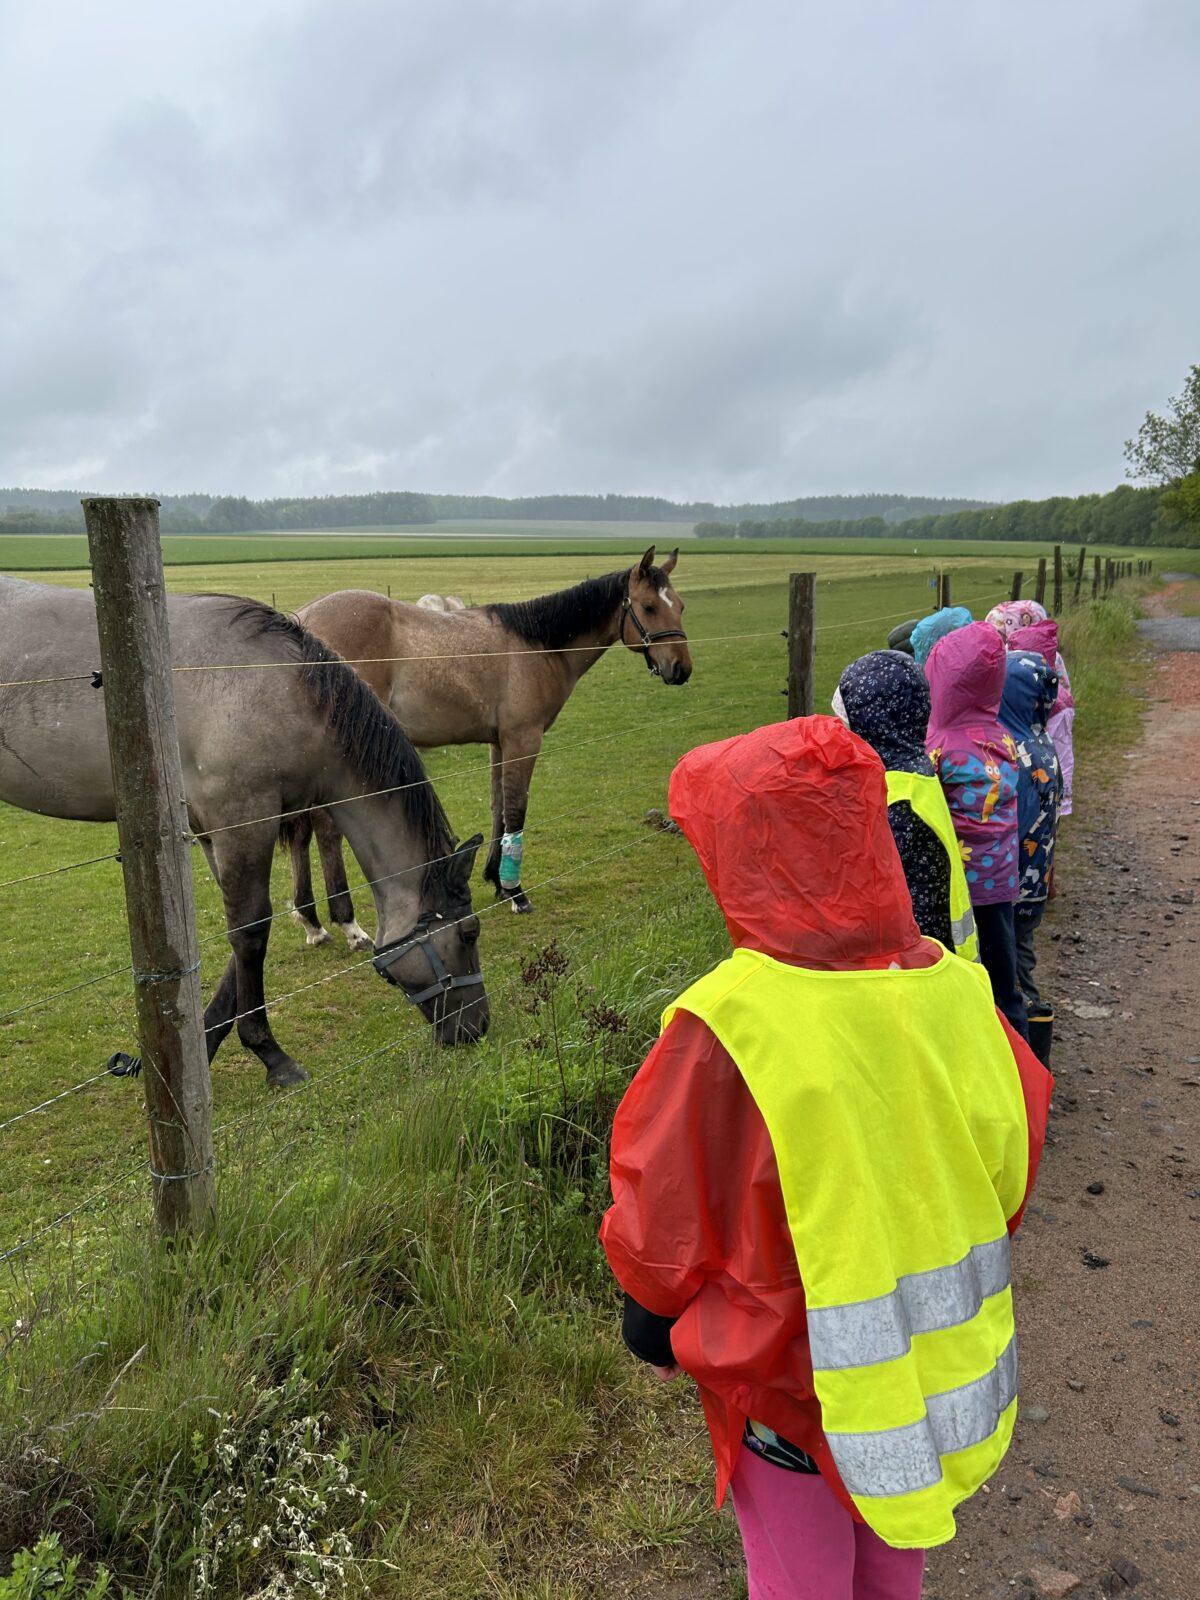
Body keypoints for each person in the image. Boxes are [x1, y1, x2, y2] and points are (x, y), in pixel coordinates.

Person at [601, 716, 1052, 1600]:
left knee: (794, 1574)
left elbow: (666, 1213)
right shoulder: (958, 993)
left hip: (784, 1382)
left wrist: (648, 1323)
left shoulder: (729, 1025)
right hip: (922, 1376)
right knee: (896, 1548)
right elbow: (1012, 1163)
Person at [833, 650, 978, 958]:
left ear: (869, 724)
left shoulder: (892, 794)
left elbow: (866, 879)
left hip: (911, 944)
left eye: (844, 721)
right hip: (933, 930)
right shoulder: (915, 765)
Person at [924, 622, 1028, 1038]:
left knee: (964, 975)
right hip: (1001, 882)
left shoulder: (939, 746)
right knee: (1005, 981)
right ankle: (1023, 1063)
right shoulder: (1002, 737)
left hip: (959, 890)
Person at [999, 648, 1062, 1066]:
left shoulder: (1018, 754)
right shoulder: (1043, 743)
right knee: (1022, 955)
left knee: (1015, 970)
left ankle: (1028, 1060)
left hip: (1014, 885)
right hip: (1035, 882)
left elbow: (1014, 826)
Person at [985, 601, 1075, 818]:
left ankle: (1058, 802)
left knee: (1055, 756)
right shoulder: (1044, 660)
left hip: (1049, 716)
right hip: (1039, 718)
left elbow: (1049, 684)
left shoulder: (1018, 661)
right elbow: (1056, 681)